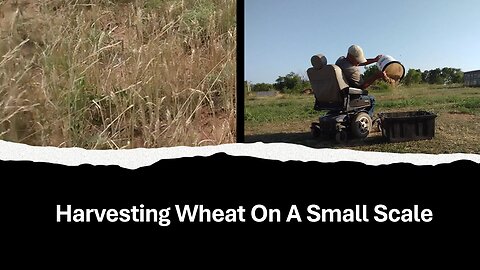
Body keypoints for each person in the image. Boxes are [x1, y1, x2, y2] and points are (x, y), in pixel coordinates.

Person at [335, 45, 386, 116]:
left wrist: (374, 60)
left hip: (337, 96)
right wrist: (376, 76)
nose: (358, 63)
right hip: (349, 97)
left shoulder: (341, 60)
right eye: (357, 59)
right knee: (371, 99)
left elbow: (358, 63)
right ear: (351, 57)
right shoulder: (353, 70)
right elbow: (362, 86)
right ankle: (367, 120)